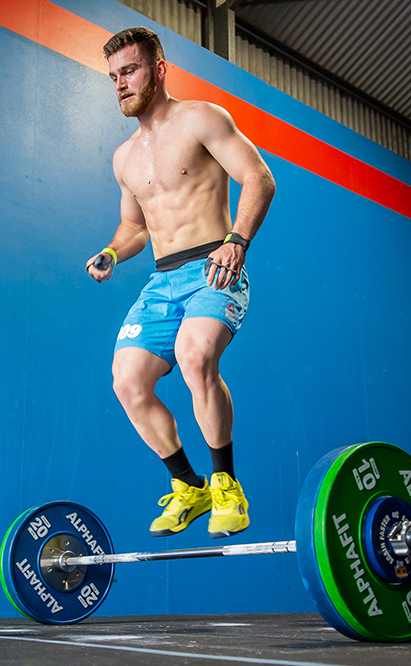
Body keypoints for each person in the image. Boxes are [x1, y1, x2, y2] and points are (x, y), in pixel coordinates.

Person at [85, 27, 276, 539]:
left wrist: (238, 240)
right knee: (127, 381)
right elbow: (134, 228)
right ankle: (187, 486)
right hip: (163, 280)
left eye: (130, 71)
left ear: (160, 68)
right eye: (113, 77)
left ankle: (226, 484)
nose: (121, 85)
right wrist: (110, 252)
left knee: (196, 357)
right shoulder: (124, 158)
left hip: (215, 265)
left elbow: (259, 177)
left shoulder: (201, 119)